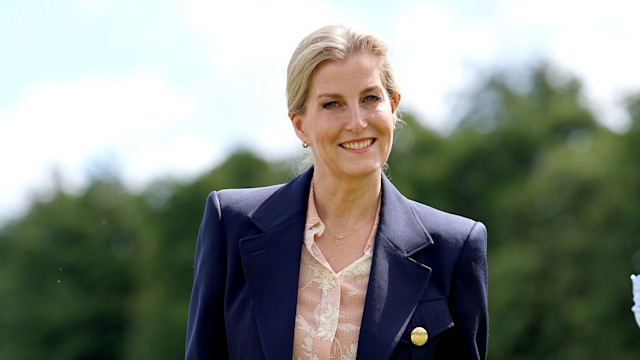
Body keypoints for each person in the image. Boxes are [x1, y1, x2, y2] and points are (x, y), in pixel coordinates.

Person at [185, 24, 488, 359]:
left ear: (393, 106)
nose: (357, 122)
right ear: (300, 124)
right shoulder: (231, 223)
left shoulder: (454, 248)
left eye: (370, 98)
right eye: (332, 105)